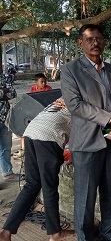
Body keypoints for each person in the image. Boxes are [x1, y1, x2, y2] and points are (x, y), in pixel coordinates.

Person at [60, 24, 111, 241]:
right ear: (80, 43)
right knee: (85, 198)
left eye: (98, 38)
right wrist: (110, 119)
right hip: (87, 141)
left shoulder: (110, 71)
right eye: (89, 39)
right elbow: (75, 105)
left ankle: (108, 233)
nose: (95, 42)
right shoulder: (71, 70)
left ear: (104, 42)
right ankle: (85, 238)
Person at [0, 99, 74, 241]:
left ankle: (6, 231)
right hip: (48, 137)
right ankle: (55, 233)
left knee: (32, 184)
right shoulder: (82, 100)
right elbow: (84, 132)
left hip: (31, 133)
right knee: (49, 186)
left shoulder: (63, 97)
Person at [0, 73, 17, 180]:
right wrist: (4, 90)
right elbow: (6, 92)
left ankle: (7, 172)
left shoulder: (3, 77)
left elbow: (13, 93)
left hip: (5, 118)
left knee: (6, 147)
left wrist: (3, 92)